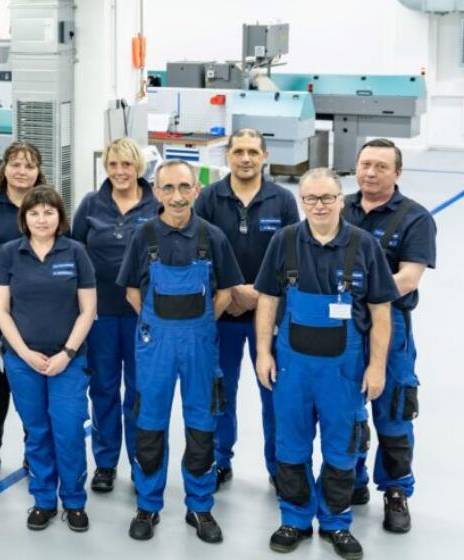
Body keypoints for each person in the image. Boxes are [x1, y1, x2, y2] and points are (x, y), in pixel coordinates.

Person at [254, 168, 397, 559]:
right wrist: (264, 352)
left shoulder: (364, 245)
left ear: (340, 200)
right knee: (290, 445)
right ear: (301, 201)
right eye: (311, 198)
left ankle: (336, 522)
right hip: (292, 369)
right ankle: (295, 519)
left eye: (327, 198)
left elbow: (381, 311)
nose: (319, 206)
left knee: (341, 448)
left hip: (344, 372)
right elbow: (267, 300)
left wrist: (377, 366)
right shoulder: (284, 241)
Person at [117, 160, 243, 544]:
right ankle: (148, 504)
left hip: (199, 345)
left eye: (184, 187)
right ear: (156, 191)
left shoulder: (212, 237)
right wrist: (156, 325)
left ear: (196, 190)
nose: (176, 196)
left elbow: (226, 293)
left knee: (202, 425)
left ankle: (200, 506)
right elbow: (132, 291)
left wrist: (201, 323)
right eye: (168, 188)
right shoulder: (143, 237)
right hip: (156, 345)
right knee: (149, 424)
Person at [194, 128, 300, 488]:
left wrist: (259, 295)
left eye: (253, 151)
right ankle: (219, 460)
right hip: (220, 314)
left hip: (268, 316)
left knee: (274, 391)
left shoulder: (283, 200)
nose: (245, 158)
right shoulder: (209, 198)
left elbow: (292, 257)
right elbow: (198, 253)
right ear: (228, 155)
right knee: (220, 389)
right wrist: (231, 291)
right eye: (238, 151)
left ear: (265, 155)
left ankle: (279, 466)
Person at [0, 186, 97, 532]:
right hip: (24, 362)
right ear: (24, 218)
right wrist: (24, 353)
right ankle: (43, 500)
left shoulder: (76, 252)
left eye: (49, 212)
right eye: (34, 213)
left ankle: (74, 501)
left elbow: (88, 310)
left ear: (59, 217)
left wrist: (67, 353)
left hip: (69, 361)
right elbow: (1, 310)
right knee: (37, 432)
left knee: (68, 430)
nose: (41, 219)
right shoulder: (9, 253)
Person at [344, 139, 436, 533]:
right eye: (365, 164)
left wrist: (363, 295)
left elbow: (409, 277)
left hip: (391, 323)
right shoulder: (339, 207)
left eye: (381, 166)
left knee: (394, 407)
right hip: (343, 325)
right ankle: (352, 479)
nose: (371, 173)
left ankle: (396, 490)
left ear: (397, 173)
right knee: (346, 404)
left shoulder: (415, 218)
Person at [71, 138, 159, 493]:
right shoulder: (91, 204)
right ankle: (105, 463)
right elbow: (74, 251)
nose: (120, 171)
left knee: (140, 391)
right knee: (103, 388)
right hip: (100, 313)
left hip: (144, 314)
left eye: (127, 164)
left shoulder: (156, 204)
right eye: (113, 164)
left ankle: (140, 462)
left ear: (138, 166)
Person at [0, 141, 47, 472]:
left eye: (29, 165)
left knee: (35, 385)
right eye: (16, 164)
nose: (22, 171)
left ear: (38, 171)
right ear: (4, 168)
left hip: (38, 319)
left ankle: (36, 451)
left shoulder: (47, 207)